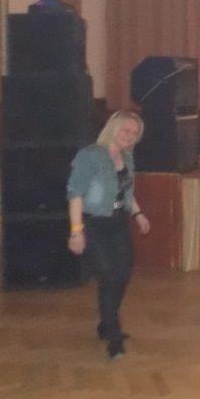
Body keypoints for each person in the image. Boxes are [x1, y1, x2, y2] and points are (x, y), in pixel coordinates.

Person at [67, 110, 152, 359]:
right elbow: (75, 194)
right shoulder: (90, 155)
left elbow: (126, 193)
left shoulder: (127, 156)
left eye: (135, 133)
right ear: (112, 128)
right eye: (126, 130)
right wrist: (76, 232)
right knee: (108, 277)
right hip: (94, 223)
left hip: (117, 222)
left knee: (123, 274)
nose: (130, 136)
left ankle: (106, 323)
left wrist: (138, 214)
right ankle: (113, 337)